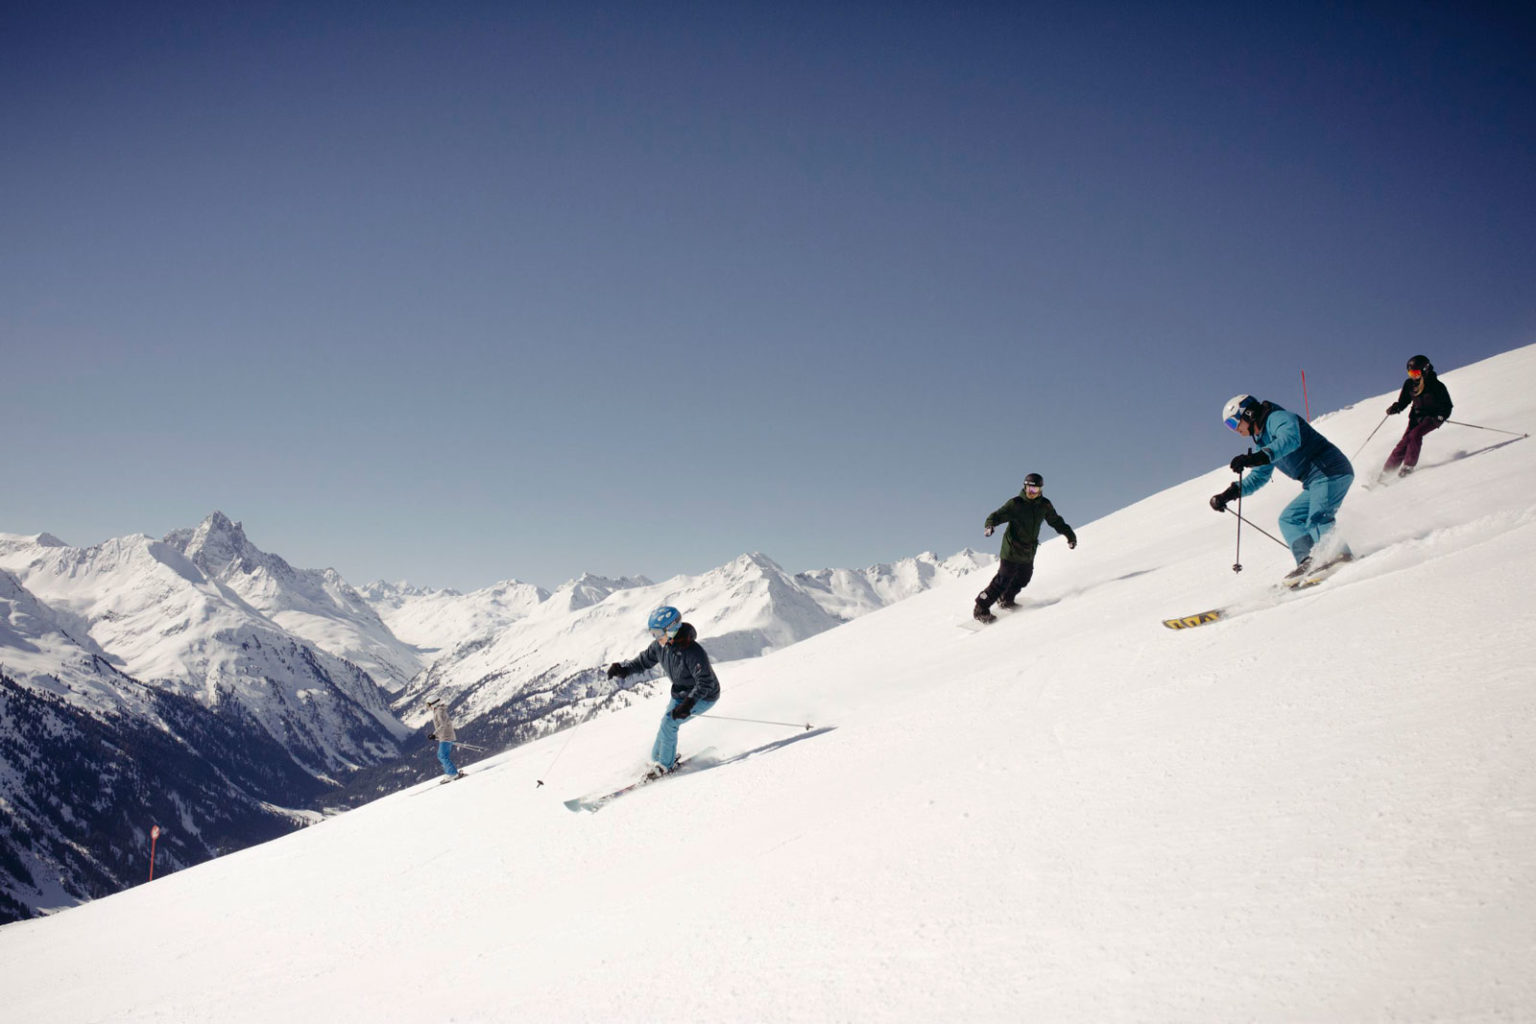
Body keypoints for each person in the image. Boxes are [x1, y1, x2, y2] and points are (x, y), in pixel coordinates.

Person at [1210, 395, 1354, 581]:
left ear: (1247, 413)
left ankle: (1339, 556)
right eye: (1230, 427)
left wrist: (1254, 458)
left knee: (1317, 518)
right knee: (1289, 518)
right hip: (1314, 482)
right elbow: (1259, 476)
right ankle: (1308, 561)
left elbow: (1290, 439)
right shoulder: (1262, 441)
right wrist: (1229, 494)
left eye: (1233, 423)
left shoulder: (1278, 418)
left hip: (1330, 471)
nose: (1235, 430)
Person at [605, 606, 720, 778]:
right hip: (680, 693)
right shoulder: (660, 646)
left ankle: (665, 766)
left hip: (704, 695)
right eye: (653, 633)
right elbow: (642, 662)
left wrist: (688, 704)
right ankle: (657, 759)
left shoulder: (693, 652)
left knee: (670, 723)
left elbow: (705, 682)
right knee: (665, 723)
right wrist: (624, 670)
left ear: (671, 629)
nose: (655, 637)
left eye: (658, 632)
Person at [973, 472, 1077, 623]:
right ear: (1024, 487)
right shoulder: (1016, 504)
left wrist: (1070, 536)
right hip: (1011, 549)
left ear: (1040, 490)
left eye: (1034, 490)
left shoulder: (1044, 505)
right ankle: (980, 608)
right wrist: (990, 525)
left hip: (1028, 551)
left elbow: (1057, 522)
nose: (1031, 493)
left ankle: (1006, 599)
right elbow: (997, 515)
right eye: (1028, 489)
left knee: (1024, 578)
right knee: (1003, 579)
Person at [1381, 354, 1453, 479]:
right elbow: (1404, 401)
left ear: (1425, 370)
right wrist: (1396, 407)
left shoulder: (1437, 386)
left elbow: (1447, 406)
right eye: (1411, 374)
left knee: (1415, 435)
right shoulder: (1410, 384)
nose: (1414, 377)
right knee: (1403, 444)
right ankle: (1386, 473)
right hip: (1416, 417)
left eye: (1416, 373)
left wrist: (1440, 418)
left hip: (1432, 418)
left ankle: (1408, 467)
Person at [426, 696, 462, 781]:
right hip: (445, 736)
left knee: (442, 755)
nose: (428, 707)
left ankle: (452, 773)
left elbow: (443, 725)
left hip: (446, 736)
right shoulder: (438, 711)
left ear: (433, 703)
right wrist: (437, 736)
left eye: (429, 705)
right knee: (442, 755)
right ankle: (450, 773)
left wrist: (434, 734)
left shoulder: (439, 712)